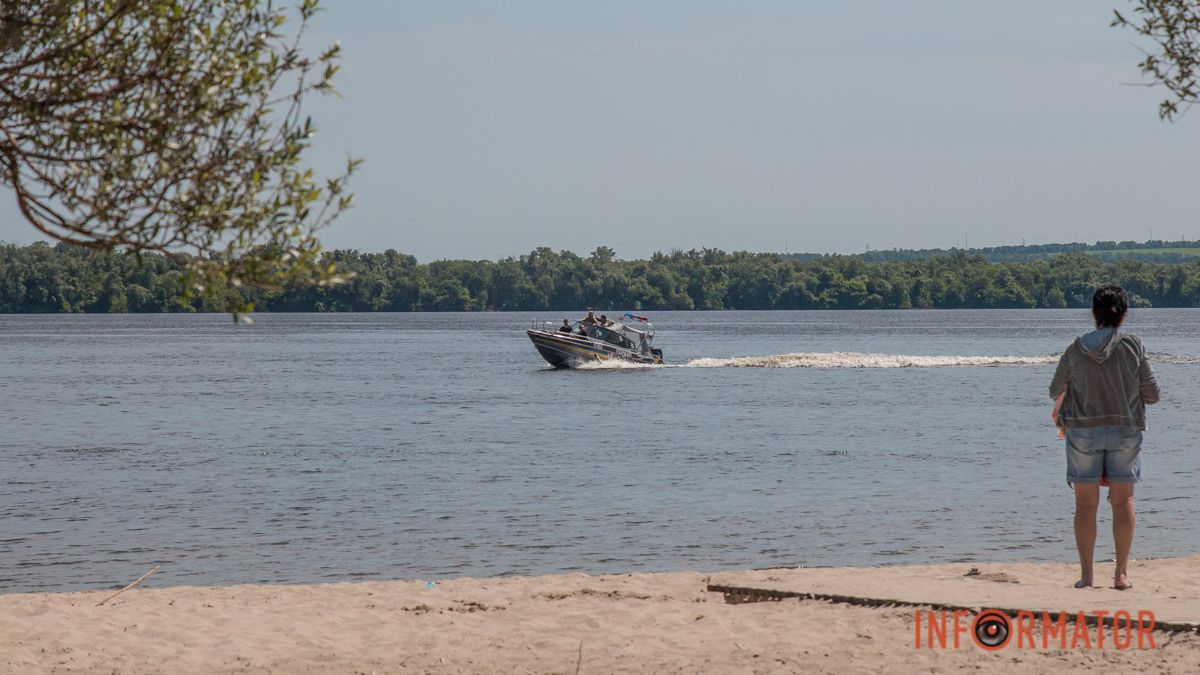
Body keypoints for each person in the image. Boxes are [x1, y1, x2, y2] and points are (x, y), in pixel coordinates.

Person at [1049, 285, 1160, 591]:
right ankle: (1121, 575)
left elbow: (1053, 389)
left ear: (1092, 313)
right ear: (1124, 315)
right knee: (1123, 501)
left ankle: (1087, 576)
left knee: (1085, 506)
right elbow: (1153, 394)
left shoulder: (1076, 348)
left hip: (1083, 430)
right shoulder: (1134, 345)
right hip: (1126, 429)